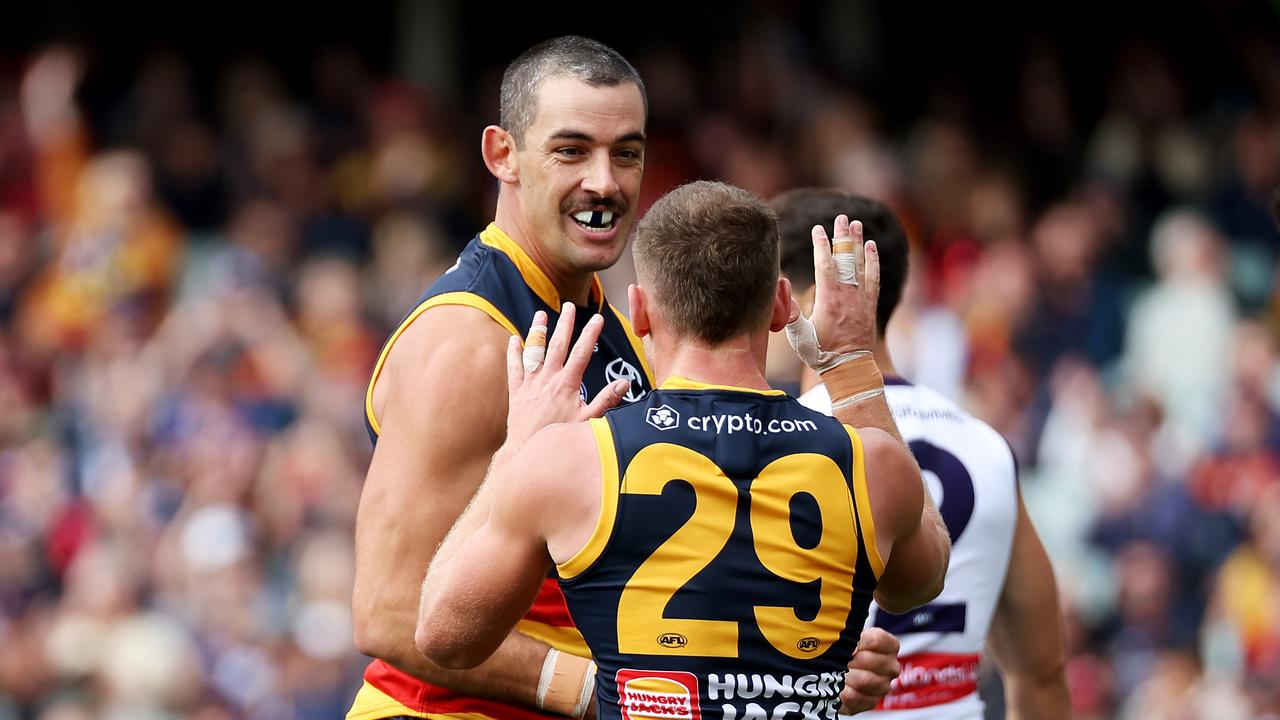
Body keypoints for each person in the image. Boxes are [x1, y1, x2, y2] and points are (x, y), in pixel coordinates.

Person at [348, 38, 900, 720]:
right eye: (571, 150)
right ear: (502, 156)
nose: (605, 182)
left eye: (627, 152)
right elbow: (388, 614)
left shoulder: (608, 319)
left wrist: (790, 670)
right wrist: (613, 694)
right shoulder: (468, 343)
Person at [415, 180, 951, 720]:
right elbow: (919, 582)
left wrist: (516, 450)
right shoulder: (871, 464)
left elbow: (443, 635)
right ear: (782, 306)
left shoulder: (568, 463)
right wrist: (852, 364)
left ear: (640, 312)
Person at [771, 188, 1071, 719]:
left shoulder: (777, 443)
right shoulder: (985, 443)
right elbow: (1040, 671)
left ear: (821, 295)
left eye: (764, 293)